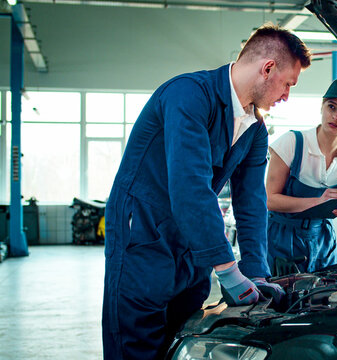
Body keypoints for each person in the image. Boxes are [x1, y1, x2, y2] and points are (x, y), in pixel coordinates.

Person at [102, 24, 311, 359]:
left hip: (190, 243)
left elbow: (251, 201)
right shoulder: (188, 95)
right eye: (288, 84)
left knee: (183, 339)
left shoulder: (254, 129)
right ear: (268, 68)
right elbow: (190, 187)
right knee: (137, 343)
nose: (286, 95)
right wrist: (228, 269)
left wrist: (256, 270)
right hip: (141, 234)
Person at [265, 78, 337, 275]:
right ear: (322, 107)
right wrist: (318, 202)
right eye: (331, 107)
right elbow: (269, 199)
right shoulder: (292, 143)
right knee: (281, 300)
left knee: (324, 299)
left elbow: (335, 204)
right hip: (282, 239)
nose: (336, 116)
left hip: (323, 241)